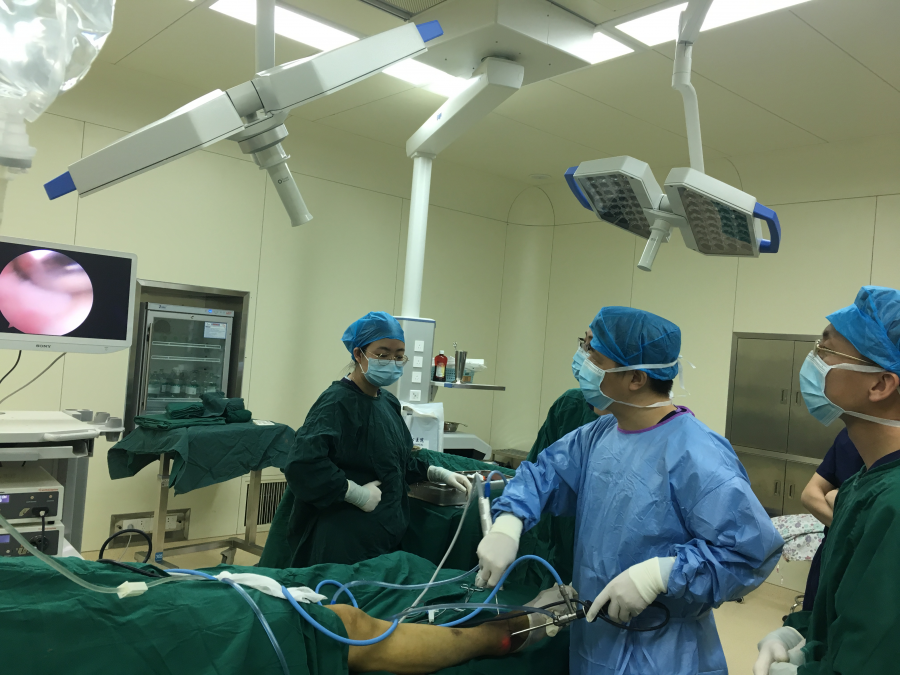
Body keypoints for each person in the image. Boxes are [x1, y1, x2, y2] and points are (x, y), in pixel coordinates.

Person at [476, 306, 783, 675]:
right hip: (595, 644)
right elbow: (543, 475)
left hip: (664, 655)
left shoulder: (696, 453)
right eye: (583, 345)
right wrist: (509, 522)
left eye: (593, 353)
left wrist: (661, 574)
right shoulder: (599, 434)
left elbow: (750, 550)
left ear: (636, 377)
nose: (581, 362)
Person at [754, 286, 900, 675]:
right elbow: (850, 611)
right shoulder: (861, 485)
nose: (813, 361)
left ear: (880, 384)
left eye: (826, 350)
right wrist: (802, 634)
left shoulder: (894, 505)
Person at [263, 311, 470, 568]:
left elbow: (394, 460)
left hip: (383, 534)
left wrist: (436, 473)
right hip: (342, 538)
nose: (392, 362)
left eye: (399, 356)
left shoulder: (388, 403)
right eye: (382, 355)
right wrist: (355, 493)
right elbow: (303, 464)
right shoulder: (336, 403)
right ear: (358, 354)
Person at [798, 428, 862, 611]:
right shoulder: (848, 437)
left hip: (873, 568)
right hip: (832, 554)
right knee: (814, 620)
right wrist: (858, 531)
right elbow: (809, 495)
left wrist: (836, 498)